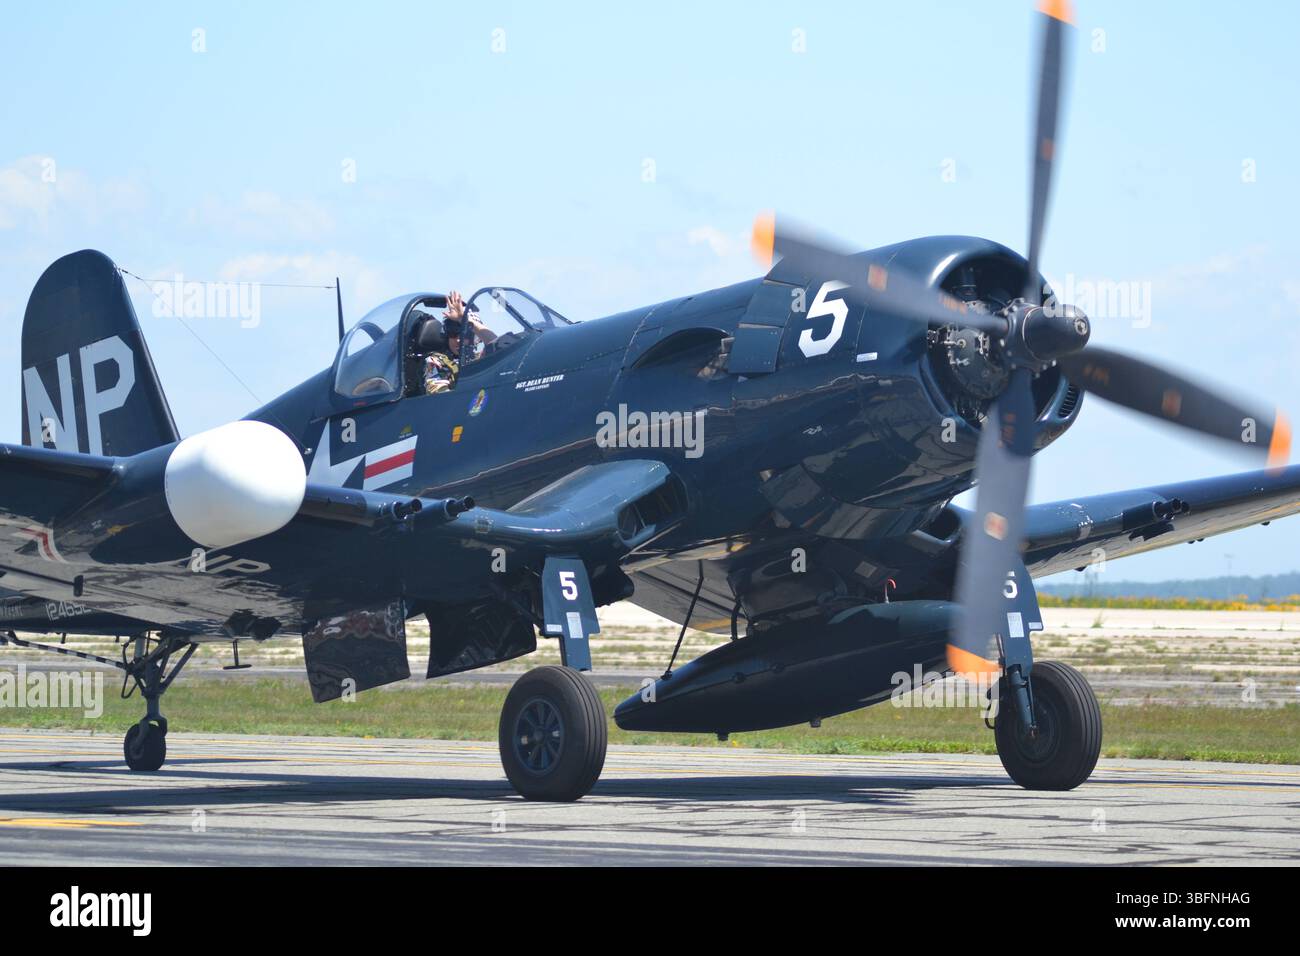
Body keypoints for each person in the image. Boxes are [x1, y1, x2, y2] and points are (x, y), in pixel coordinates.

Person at [420, 290, 498, 395]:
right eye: (452, 334)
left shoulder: (482, 358)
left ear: (475, 338)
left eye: (464, 335)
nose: (458, 340)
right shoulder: (436, 362)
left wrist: (464, 319)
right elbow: (440, 397)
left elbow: (498, 345)